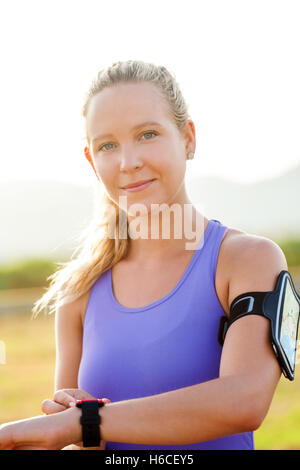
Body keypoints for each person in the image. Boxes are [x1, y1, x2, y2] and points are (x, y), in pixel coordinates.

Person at [0, 60, 287, 450]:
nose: (128, 162)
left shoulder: (247, 261)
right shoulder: (79, 290)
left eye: (148, 134)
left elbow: (244, 400)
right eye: (107, 146)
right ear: (91, 160)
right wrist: (77, 429)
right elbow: (82, 440)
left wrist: (82, 423)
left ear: (188, 138)